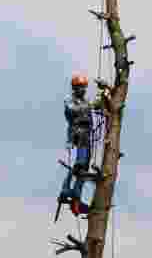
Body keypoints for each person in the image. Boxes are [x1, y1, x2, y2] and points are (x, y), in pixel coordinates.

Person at [60, 72, 101, 216]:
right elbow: (72, 110)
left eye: (84, 87)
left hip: (88, 133)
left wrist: (100, 102)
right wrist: (89, 105)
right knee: (81, 161)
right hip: (78, 131)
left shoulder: (86, 101)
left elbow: (93, 108)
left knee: (84, 168)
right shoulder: (70, 100)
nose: (82, 90)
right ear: (74, 88)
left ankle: (76, 199)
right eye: (79, 87)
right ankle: (79, 163)